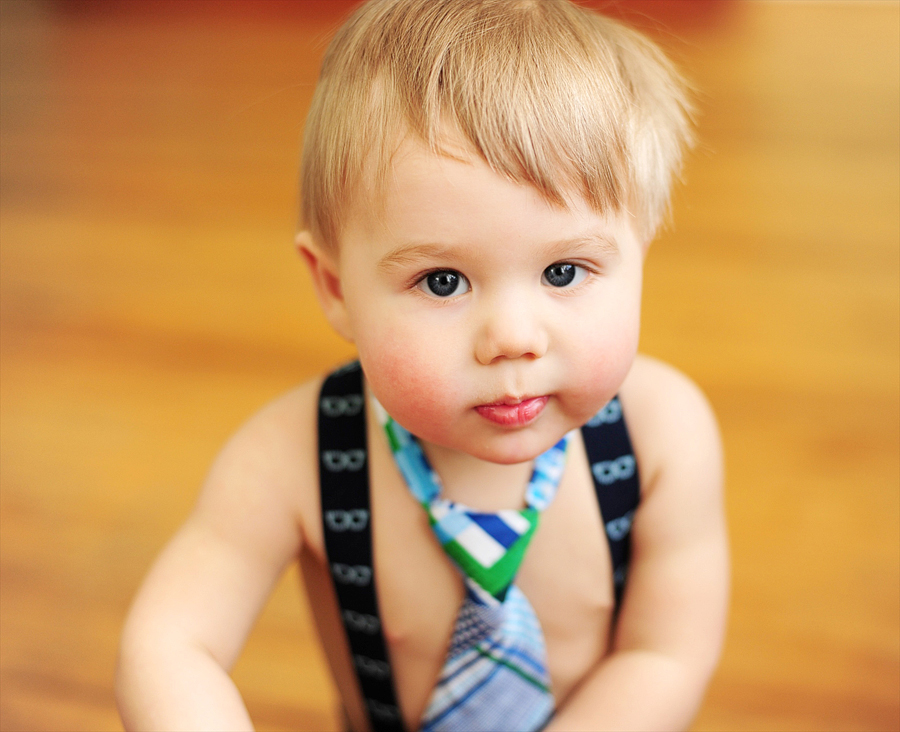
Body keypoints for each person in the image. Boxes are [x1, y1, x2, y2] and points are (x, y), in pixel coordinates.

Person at [115, 1, 729, 730]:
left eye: (564, 272)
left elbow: (664, 657)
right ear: (337, 287)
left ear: (641, 255)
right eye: (443, 281)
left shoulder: (661, 436)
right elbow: (169, 644)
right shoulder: (290, 459)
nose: (512, 337)